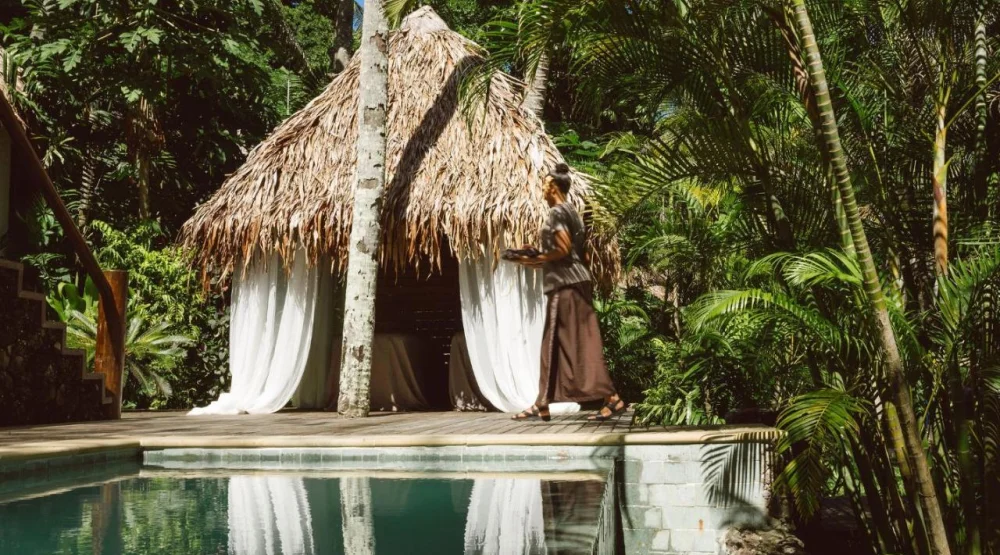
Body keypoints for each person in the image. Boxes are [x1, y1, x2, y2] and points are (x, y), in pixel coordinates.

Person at [510, 163, 626, 422]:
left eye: (543, 183)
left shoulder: (556, 214)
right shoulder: (572, 212)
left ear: (553, 187)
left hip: (565, 286)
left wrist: (535, 257)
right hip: (575, 282)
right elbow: (577, 254)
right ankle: (542, 402)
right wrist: (534, 258)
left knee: (567, 345)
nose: (541, 187)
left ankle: (612, 398)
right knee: (561, 344)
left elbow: (562, 250)